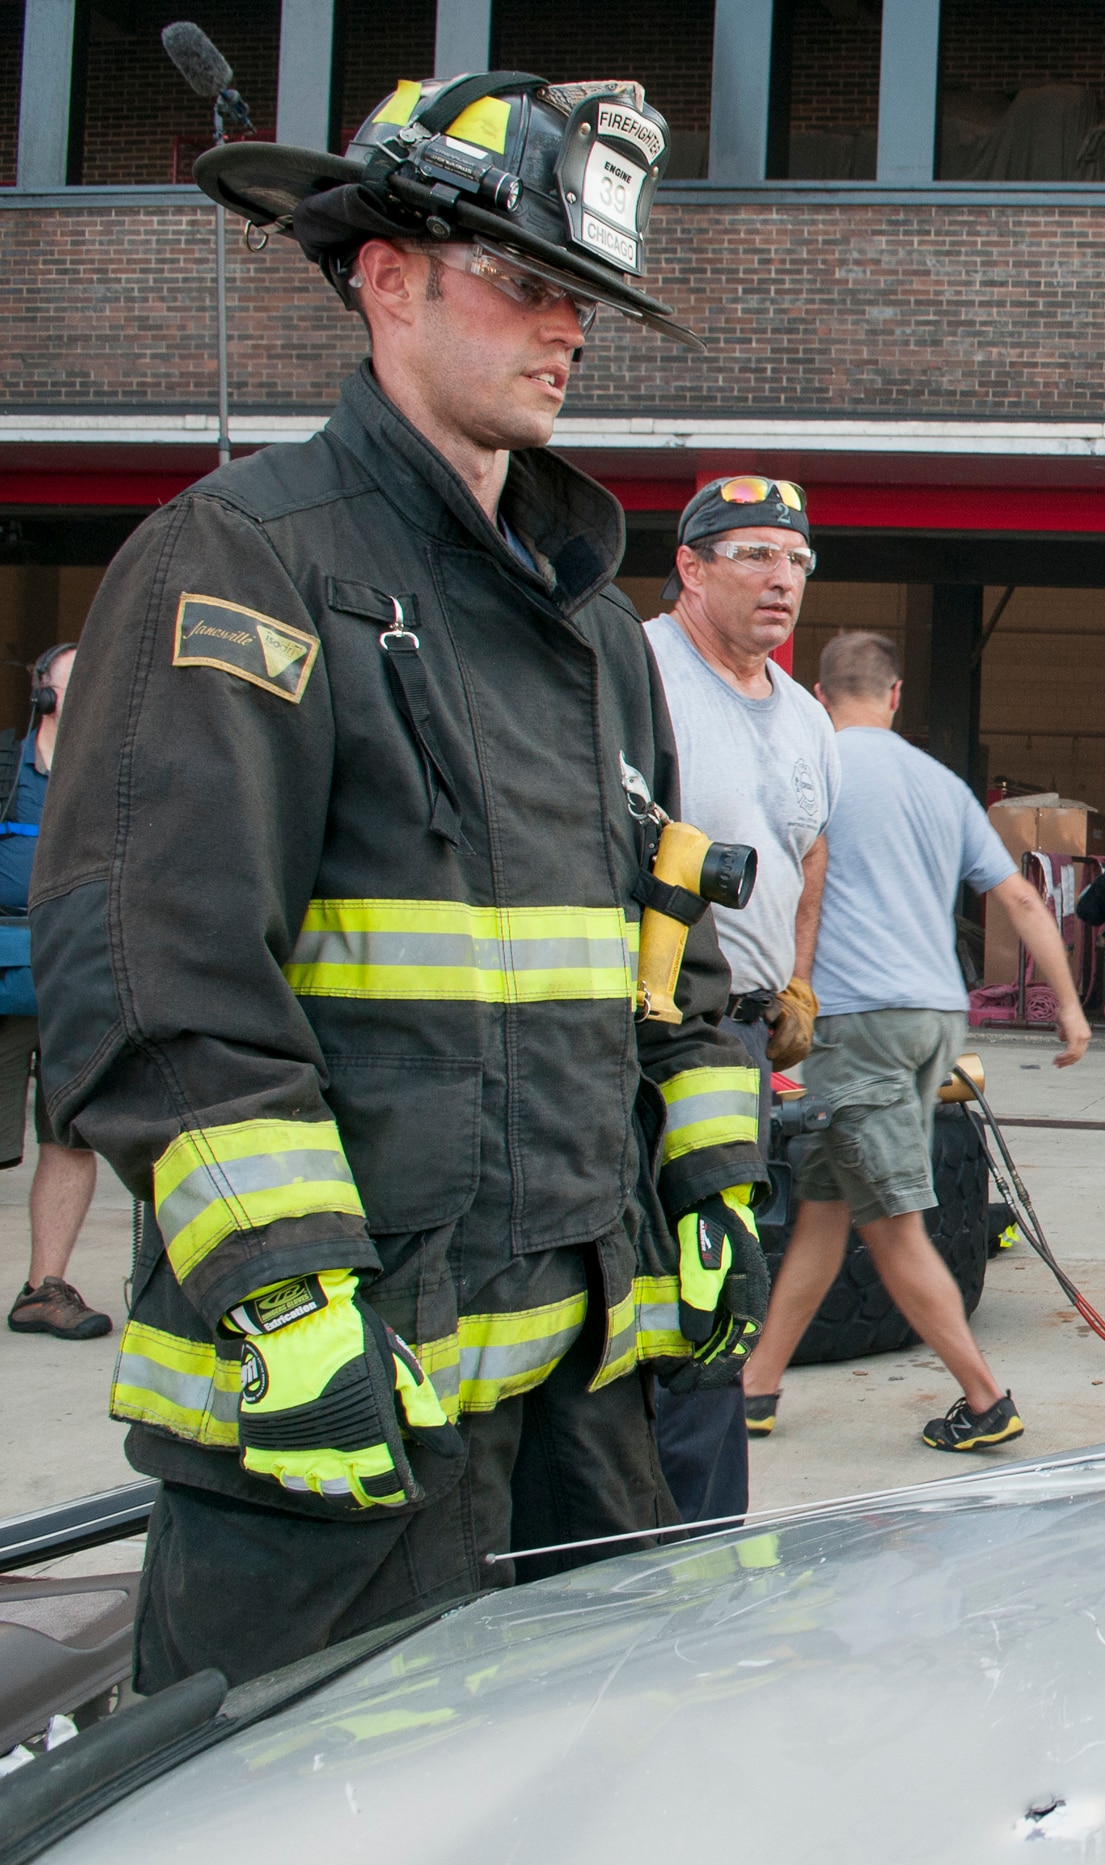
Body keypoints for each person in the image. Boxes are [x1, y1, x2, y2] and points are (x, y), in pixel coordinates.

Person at [35, 73, 765, 1693]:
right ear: (387, 278)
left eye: (577, 297)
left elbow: (668, 943)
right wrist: (286, 1301)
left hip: (582, 1419)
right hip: (331, 1430)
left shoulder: (590, 624)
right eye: (522, 281)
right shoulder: (246, 560)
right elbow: (151, 970)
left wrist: (714, 1179)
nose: (564, 331)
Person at [740, 631, 1090, 1450]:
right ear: (895, 697)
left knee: (893, 1222)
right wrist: (1069, 1008)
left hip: (857, 1022)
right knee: (826, 1211)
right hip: (934, 1017)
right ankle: (755, 1387)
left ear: (819, 697)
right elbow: (1025, 902)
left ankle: (986, 1399)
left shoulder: (814, 767)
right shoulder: (941, 784)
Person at [641, 473, 839, 1521]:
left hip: (743, 1041)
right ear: (691, 565)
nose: (781, 578)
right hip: (645, 1034)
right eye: (754, 553)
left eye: (797, 560)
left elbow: (808, 856)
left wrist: (797, 975)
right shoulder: (636, 673)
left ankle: (702, 1521)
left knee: (722, 1273)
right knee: (660, 1275)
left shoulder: (805, 715)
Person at [3, 644, 105, 1341]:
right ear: (44, 693)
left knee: (69, 1136)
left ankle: (46, 1288)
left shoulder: (114, 772)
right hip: (5, 975)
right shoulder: (4, 768)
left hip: (78, 977)